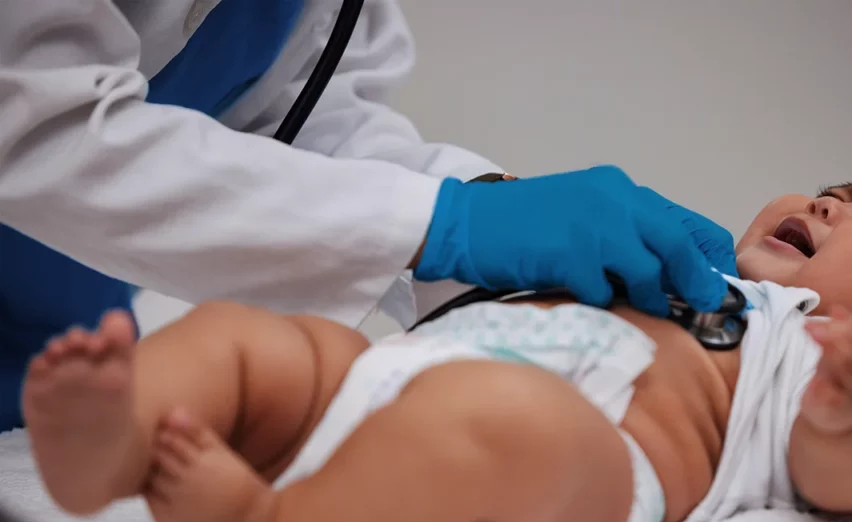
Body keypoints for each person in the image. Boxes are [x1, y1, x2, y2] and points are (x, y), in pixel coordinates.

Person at [21, 170, 852, 522]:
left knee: (493, 424)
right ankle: (115, 437)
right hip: (397, 377)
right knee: (255, 338)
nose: (829, 201)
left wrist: (851, 409)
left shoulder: (838, 368)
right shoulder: (688, 265)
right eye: (839, 188)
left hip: (582, 474)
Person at [0, 0, 736, 431]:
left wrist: (482, 206)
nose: (832, 208)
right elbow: (35, 121)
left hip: (63, 356)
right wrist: (449, 224)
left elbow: (303, 121)